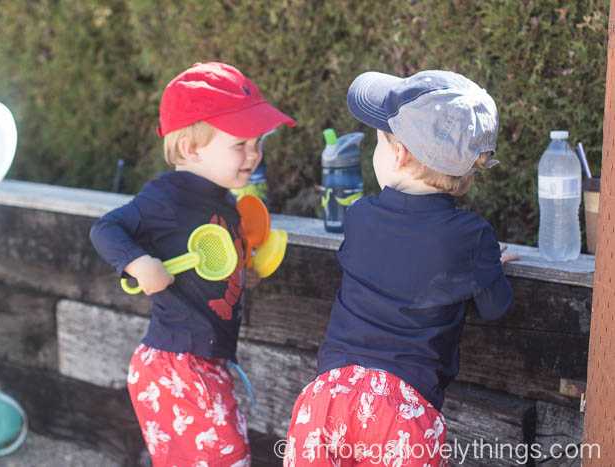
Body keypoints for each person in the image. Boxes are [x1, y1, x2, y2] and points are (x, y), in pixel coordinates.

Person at [283, 70, 520, 467]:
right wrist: (488, 266)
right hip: (402, 413)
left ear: (398, 154)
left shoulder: (359, 216)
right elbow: (495, 307)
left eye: (377, 142)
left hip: (328, 397)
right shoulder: (472, 236)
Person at [90, 62, 296, 467]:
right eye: (241, 144)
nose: (254, 155)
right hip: (176, 364)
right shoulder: (167, 196)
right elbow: (106, 228)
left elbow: (214, 266)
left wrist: (242, 272)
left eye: (258, 143)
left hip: (205, 361)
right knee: (227, 456)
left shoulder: (228, 203)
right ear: (191, 148)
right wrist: (137, 262)